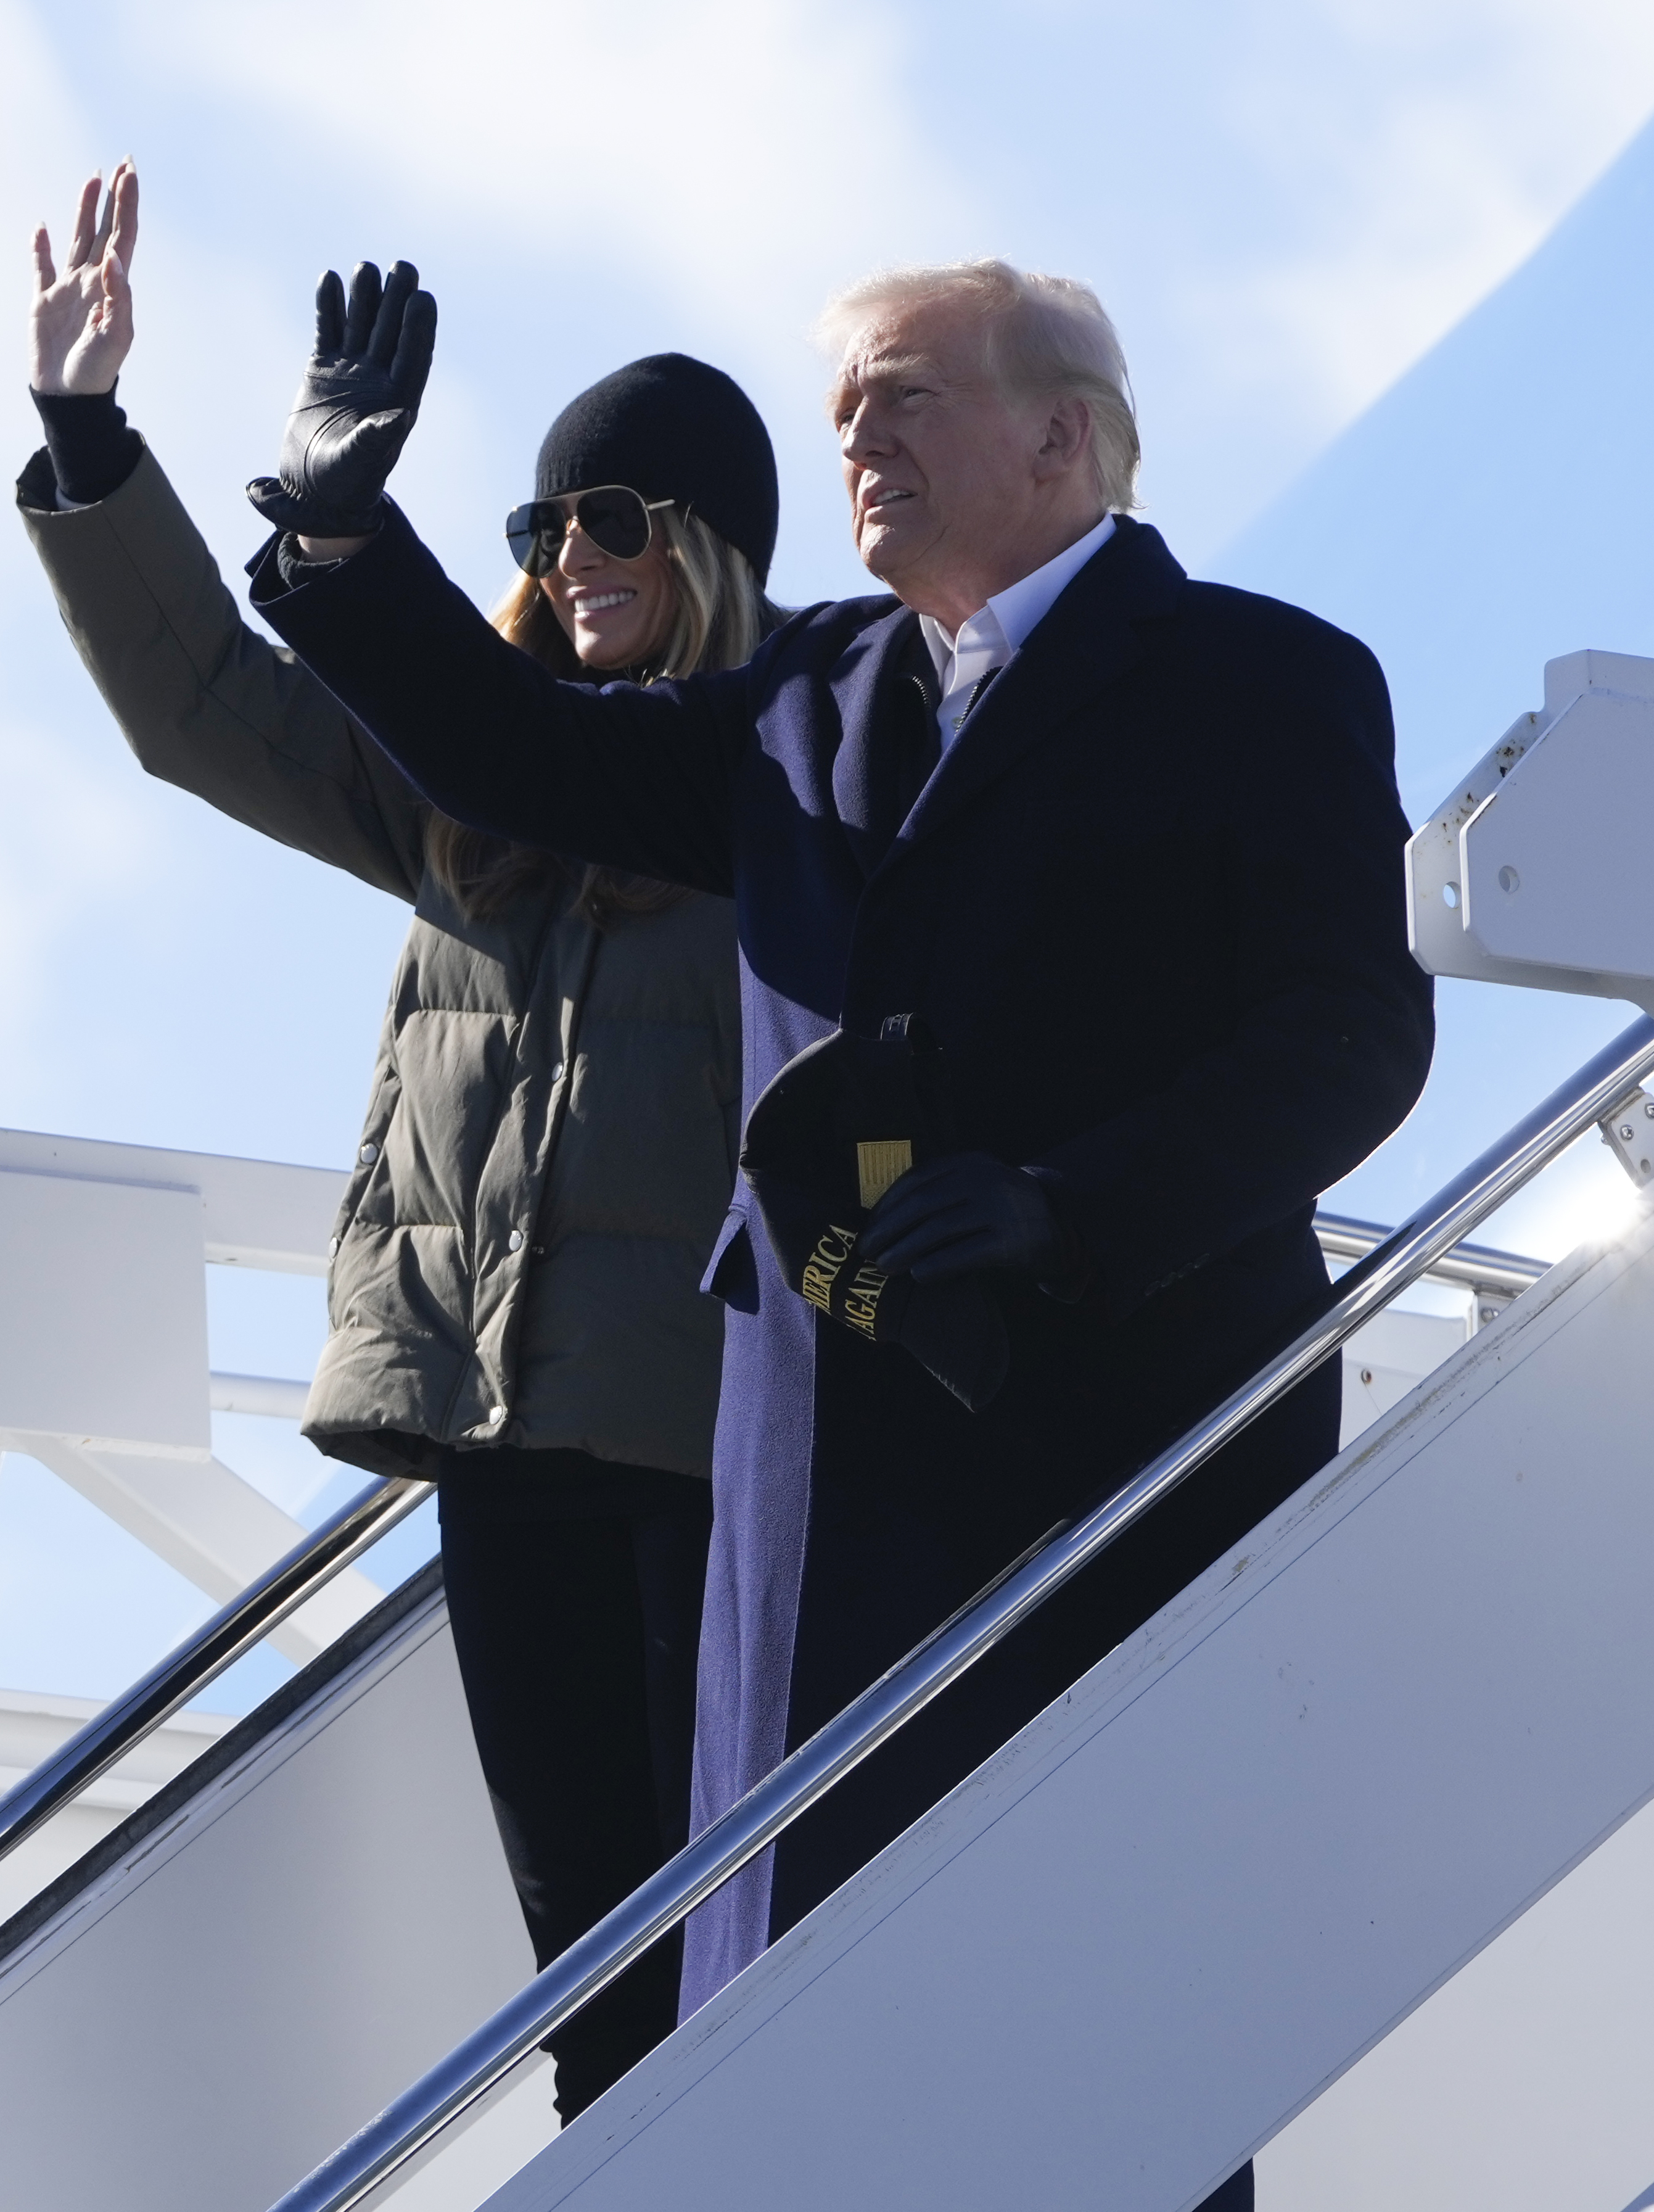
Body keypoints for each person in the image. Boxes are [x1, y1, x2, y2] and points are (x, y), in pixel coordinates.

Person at [243, 254, 1436, 2198]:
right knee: (793, 2047)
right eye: (844, 409)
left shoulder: (1262, 677)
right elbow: (517, 749)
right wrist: (334, 538)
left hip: (1122, 1460)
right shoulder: (804, 701)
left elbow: (1350, 1039)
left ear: (1060, 437)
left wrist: (1067, 1207)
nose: (855, 439)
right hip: (812, 1495)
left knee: (1108, 2032)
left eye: (904, 397)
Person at [15, 167, 791, 2119]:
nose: (570, 553)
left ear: (706, 545)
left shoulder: (790, 771)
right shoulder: (469, 780)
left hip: (703, 1448)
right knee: (592, 1979)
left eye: (613, 518)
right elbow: (206, 705)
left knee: (745, 1935)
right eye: (541, 523)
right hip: (494, 1437)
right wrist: (89, 439)